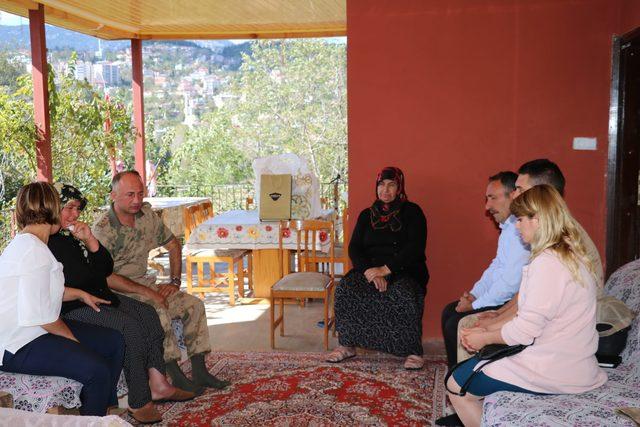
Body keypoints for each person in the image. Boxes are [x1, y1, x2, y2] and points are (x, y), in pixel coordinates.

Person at [446, 185, 607, 427]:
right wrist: (489, 329)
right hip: (578, 364)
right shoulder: (572, 254)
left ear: (539, 219)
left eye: (520, 219)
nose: (517, 225)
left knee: (456, 384)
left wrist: (484, 338)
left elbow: (524, 331)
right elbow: (531, 312)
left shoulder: (547, 263)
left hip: (554, 370)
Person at [48, 183, 195, 424]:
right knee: (130, 328)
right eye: (69, 208)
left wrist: (90, 241)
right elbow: (74, 279)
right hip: (73, 307)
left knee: (148, 314)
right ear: (53, 207)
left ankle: (159, 385)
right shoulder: (50, 241)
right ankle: (139, 402)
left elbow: (105, 268)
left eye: (78, 209)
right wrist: (91, 274)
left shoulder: (72, 236)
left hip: (99, 296)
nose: (75, 214)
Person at [92, 171, 229, 392]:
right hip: (117, 292)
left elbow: (174, 245)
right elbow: (104, 277)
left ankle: (200, 372)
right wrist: (149, 293)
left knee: (194, 305)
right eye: (130, 195)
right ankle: (173, 375)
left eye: (140, 193)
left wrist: (174, 282)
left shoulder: (147, 216)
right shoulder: (104, 229)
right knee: (158, 309)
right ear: (113, 196)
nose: (137, 200)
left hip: (145, 284)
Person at [0, 182, 125, 416]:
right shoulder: (32, 250)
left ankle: (101, 413)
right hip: (17, 344)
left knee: (113, 341)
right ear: (53, 208)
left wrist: (79, 294)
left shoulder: (33, 244)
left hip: (34, 331)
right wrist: (74, 342)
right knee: (96, 369)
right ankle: (92, 418)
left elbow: (41, 290)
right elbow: (43, 317)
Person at [326, 166, 429, 370]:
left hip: (403, 270)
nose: (386, 190)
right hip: (370, 270)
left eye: (391, 185)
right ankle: (347, 345)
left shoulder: (413, 212)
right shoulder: (366, 215)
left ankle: (412, 350)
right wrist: (370, 272)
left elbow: (415, 247)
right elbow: (354, 247)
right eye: (381, 184)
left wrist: (386, 269)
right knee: (346, 289)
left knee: (404, 294)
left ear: (399, 188)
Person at [440, 172, 529, 369]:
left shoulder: (521, 230)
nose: (487, 207)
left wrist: (474, 305)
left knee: (455, 322)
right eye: (487, 199)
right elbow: (496, 266)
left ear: (512, 196)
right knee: (449, 312)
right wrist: (474, 294)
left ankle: (465, 378)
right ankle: (457, 372)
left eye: (492, 198)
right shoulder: (508, 227)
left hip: (513, 301)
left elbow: (510, 283)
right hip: (501, 296)